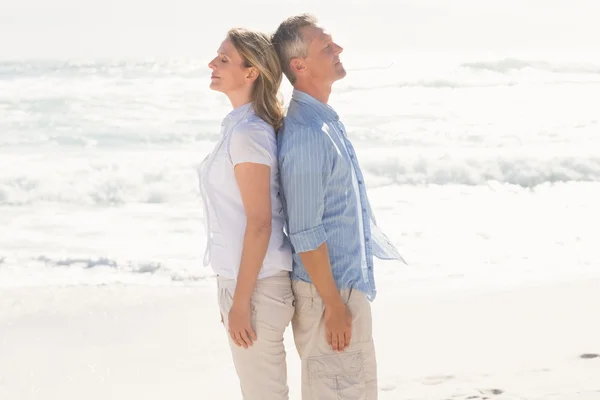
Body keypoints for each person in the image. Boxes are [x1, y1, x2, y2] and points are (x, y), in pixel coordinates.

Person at [272, 14, 406, 400]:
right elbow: (305, 231)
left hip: (340, 291)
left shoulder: (323, 122)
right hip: (330, 295)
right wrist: (333, 305)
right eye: (326, 46)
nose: (338, 50)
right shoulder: (309, 135)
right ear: (299, 66)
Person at [198, 28, 295, 399]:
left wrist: (240, 301)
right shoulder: (239, 127)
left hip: (255, 287)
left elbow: (260, 222)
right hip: (247, 283)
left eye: (223, 59)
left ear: (251, 72)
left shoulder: (249, 132)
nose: (212, 64)